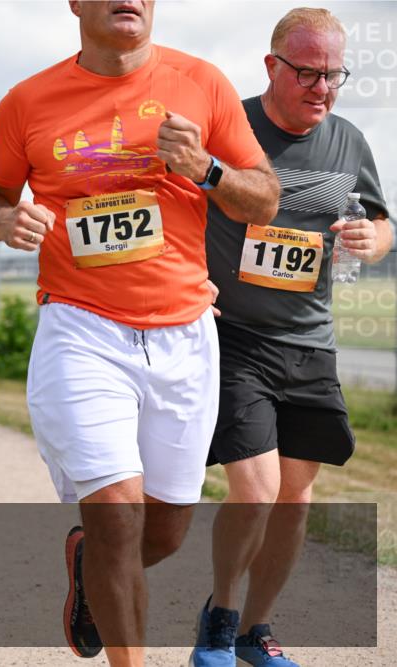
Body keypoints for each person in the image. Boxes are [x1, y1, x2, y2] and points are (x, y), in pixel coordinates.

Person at [0, 2, 280, 665]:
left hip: (185, 335)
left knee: (162, 529)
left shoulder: (202, 83)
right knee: (116, 514)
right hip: (80, 327)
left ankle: (91, 576)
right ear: (77, 4)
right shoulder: (27, 100)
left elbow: (265, 198)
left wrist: (207, 169)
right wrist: (1, 222)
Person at [193, 9, 394, 667]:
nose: (322, 88)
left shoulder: (349, 140)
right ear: (272, 66)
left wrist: (374, 237)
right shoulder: (229, 127)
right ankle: (219, 619)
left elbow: (382, 220)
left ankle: (256, 628)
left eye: (334, 75)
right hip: (236, 336)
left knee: (295, 497)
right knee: (256, 488)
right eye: (306, 73)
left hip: (311, 342)